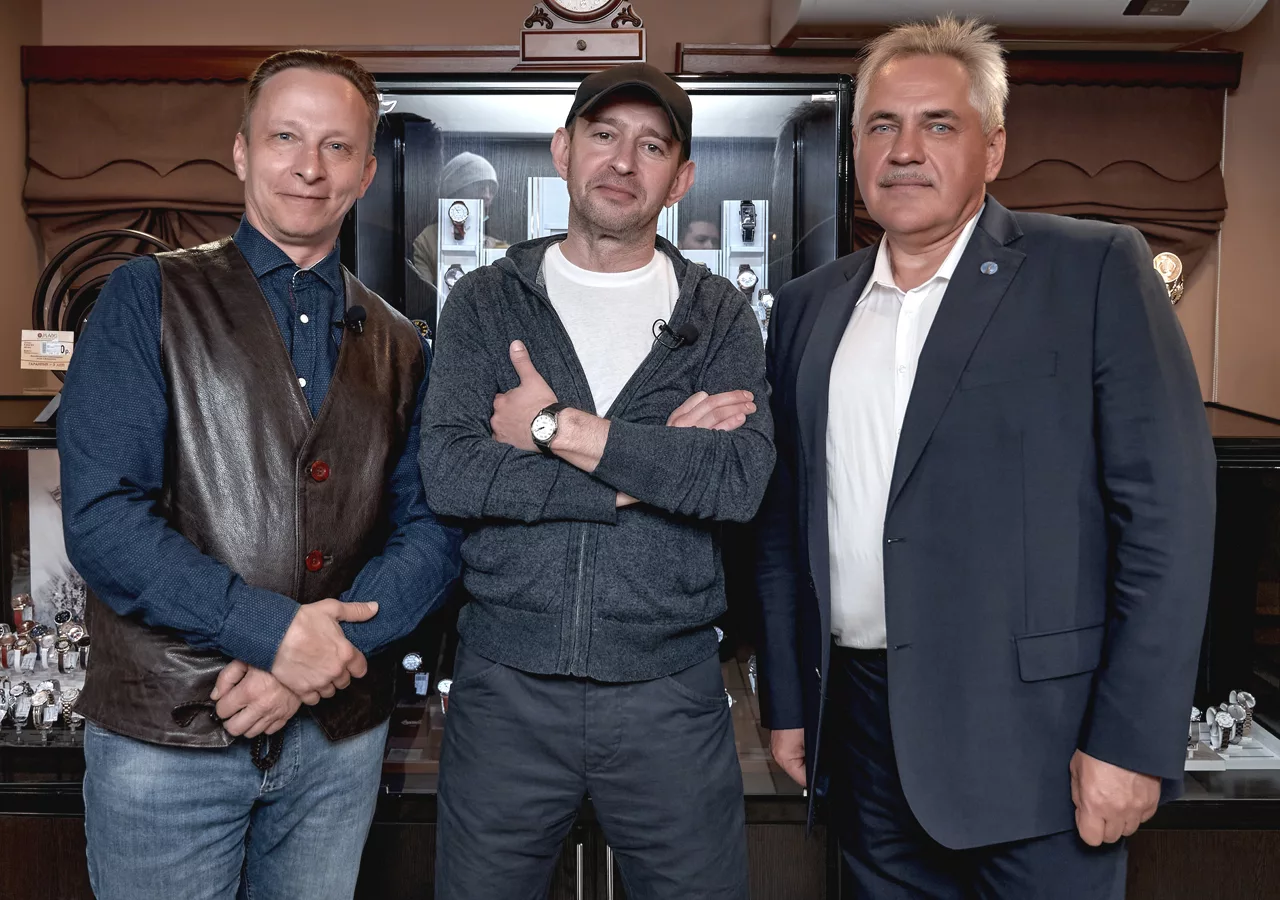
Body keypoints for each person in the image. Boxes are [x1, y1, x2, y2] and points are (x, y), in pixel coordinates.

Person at [754, 16, 1215, 899]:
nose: (905, 151)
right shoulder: (809, 305)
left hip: (1042, 747)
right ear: (856, 149)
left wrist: (1130, 741)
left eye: (939, 124)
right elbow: (786, 521)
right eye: (883, 125)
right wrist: (788, 700)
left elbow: (1169, 522)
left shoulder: (1093, 270)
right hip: (861, 734)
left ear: (993, 148)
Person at [58, 50, 460, 900]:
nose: (310, 167)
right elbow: (103, 519)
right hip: (166, 740)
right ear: (241, 151)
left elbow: (432, 531)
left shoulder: (403, 342)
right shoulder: (144, 297)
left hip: (336, 748)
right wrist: (274, 636)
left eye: (336, 146)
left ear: (364, 172)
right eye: (285, 138)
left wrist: (324, 655)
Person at [420, 62, 775, 899]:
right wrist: (645, 469)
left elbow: (735, 481)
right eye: (604, 135)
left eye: (652, 146)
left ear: (681, 178)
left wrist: (555, 430)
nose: (622, 160)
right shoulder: (486, 302)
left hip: (670, 694)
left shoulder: (717, 313)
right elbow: (453, 473)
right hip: (505, 692)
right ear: (562, 150)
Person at [409, 151, 509, 289]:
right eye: (480, 187)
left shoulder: (499, 248)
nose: (487, 195)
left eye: (491, 190)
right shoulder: (427, 241)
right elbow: (424, 294)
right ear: (455, 193)